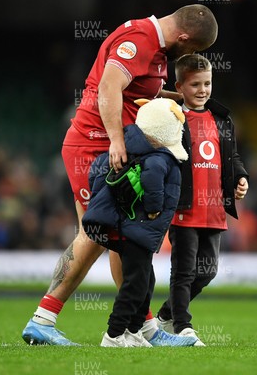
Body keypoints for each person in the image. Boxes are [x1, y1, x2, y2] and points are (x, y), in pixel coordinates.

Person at [22, 5, 218, 346]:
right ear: (184, 37)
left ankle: (143, 329)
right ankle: (44, 318)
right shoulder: (139, 39)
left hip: (113, 146)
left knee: (121, 237)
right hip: (93, 145)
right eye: (192, 49)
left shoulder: (154, 49)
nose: (189, 56)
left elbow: (138, 95)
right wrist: (115, 140)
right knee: (98, 233)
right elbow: (109, 89)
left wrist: (185, 102)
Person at [83, 98, 196, 347]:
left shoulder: (131, 151)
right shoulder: (158, 158)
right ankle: (113, 335)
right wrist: (155, 209)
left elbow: (95, 173)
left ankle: (133, 332)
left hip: (133, 231)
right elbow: (154, 181)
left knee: (146, 281)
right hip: (138, 231)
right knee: (135, 285)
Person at [155, 54, 249, 345]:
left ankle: (164, 315)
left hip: (214, 208)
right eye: (195, 84)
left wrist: (240, 178)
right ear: (179, 86)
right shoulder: (172, 118)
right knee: (183, 272)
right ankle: (183, 326)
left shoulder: (221, 119)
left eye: (207, 83)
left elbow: (231, 157)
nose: (203, 90)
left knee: (208, 271)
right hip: (184, 208)